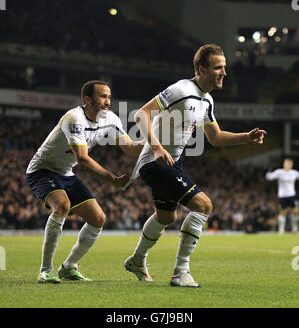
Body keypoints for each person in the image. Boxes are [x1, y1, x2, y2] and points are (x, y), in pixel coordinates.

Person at [123, 44, 267, 287]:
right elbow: (141, 115)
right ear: (201, 69)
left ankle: (137, 260)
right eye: (218, 68)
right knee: (203, 205)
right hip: (155, 161)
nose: (224, 73)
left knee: (166, 216)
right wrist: (157, 147)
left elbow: (216, 137)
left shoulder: (206, 100)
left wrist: (246, 137)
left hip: (173, 162)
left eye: (224, 67)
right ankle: (181, 272)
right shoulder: (181, 89)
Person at [26, 80, 143, 283]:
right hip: (42, 170)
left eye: (109, 96)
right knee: (62, 205)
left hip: (66, 172)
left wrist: (156, 143)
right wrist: (112, 179)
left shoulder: (111, 119)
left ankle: (69, 267)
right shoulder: (74, 118)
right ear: (87, 99)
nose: (107, 101)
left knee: (98, 219)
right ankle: (45, 270)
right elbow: (83, 159)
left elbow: (131, 148)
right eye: (102, 96)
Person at [265, 158, 299, 234]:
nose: (286, 165)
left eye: (288, 164)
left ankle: (295, 228)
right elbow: (270, 177)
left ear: (291, 165)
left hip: (292, 195)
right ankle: (281, 229)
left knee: (296, 212)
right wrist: (268, 173)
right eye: (285, 163)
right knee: (283, 212)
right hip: (282, 196)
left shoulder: (294, 173)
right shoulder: (279, 172)